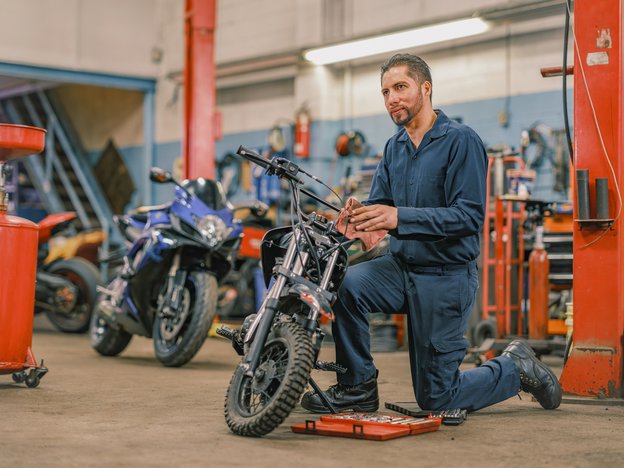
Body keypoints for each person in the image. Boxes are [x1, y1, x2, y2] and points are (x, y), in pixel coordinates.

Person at [301, 53, 562, 414]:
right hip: (400, 267)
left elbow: (468, 216)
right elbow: (381, 206)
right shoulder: (395, 147)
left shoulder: (461, 141)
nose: (392, 98)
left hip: (445, 276)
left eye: (400, 87)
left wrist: (396, 217)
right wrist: (357, 219)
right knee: (347, 284)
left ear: (426, 88)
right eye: (386, 92)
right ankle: (356, 386)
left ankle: (515, 366)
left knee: (438, 397)